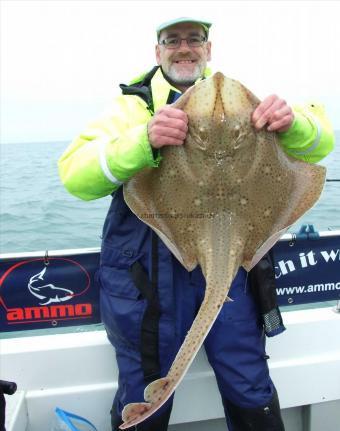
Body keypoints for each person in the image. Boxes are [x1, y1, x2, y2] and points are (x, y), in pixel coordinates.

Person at [58, 17, 334, 431]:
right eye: (172, 40)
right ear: (158, 51)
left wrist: (294, 122)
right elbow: (75, 176)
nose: (183, 48)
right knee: (143, 385)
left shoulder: (249, 107)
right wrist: (144, 139)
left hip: (238, 265)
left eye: (194, 39)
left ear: (208, 49)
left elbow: (320, 144)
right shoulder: (133, 108)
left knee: (249, 384)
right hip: (149, 280)